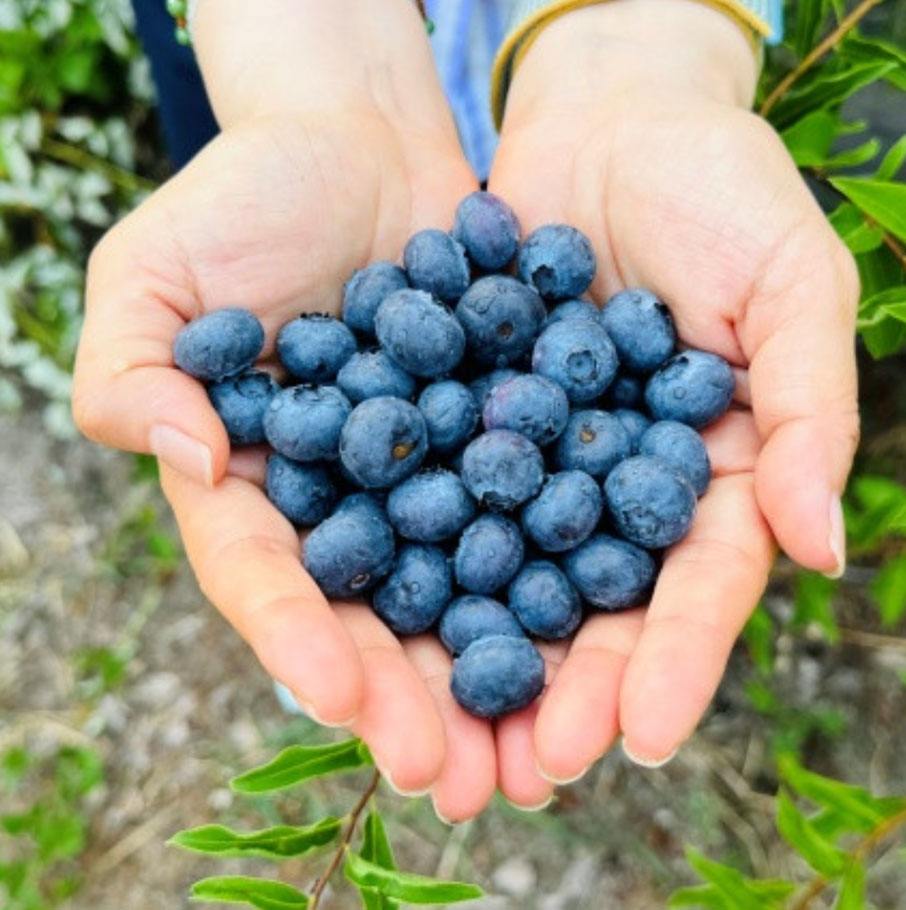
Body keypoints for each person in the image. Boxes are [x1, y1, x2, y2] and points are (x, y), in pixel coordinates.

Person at [72, 0, 859, 824]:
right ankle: (334, 656)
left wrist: (645, 44)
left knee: (373, 589)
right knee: (330, 626)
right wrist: (315, 73)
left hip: (576, 96)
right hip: (295, 47)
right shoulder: (436, 404)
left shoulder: (541, 402)